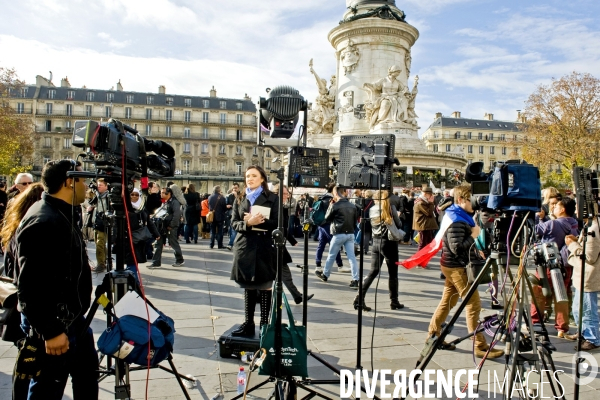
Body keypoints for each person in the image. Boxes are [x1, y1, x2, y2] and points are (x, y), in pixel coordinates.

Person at [16, 159, 99, 399]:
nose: (87, 187)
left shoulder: (61, 213)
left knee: (86, 375)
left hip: (73, 319)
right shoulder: (44, 221)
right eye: (82, 181)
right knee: (47, 388)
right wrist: (50, 331)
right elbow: (29, 285)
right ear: (69, 182)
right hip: (55, 325)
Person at [426, 184, 503, 359]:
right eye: (470, 200)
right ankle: (480, 346)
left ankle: (433, 336)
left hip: (453, 264)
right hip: (456, 266)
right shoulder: (457, 219)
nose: (474, 203)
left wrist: (474, 244)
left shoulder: (459, 215)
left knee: (448, 302)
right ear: (460, 200)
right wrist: (474, 236)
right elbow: (456, 247)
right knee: (473, 304)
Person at [0, 182, 44, 400]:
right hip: (29, 302)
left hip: (20, 298)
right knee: (31, 358)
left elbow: (9, 266)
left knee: (26, 356)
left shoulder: (15, 226)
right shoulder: (32, 227)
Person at [230, 166, 278, 336]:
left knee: (265, 286)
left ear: (262, 179)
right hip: (244, 247)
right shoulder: (240, 198)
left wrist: (259, 222)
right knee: (248, 287)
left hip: (264, 248)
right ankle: (248, 324)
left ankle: (265, 325)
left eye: (254, 176)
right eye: (247, 176)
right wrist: (248, 224)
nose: (249, 179)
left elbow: (279, 224)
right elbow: (234, 223)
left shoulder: (272, 198)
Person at [530, 197, 579, 337]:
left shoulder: (553, 224)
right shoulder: (574, 223)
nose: (553, 208)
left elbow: (535, 230)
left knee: (539, 292)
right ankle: (562, 327)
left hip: (548, 263)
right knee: (561, 295)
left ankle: (536, 321)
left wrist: (538, 217)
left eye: (556, 206)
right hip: (566, 265)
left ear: (563, 209)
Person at [355, 190, 404, 311]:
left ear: (375, 199)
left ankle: (359, 298)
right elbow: (399, 225)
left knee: (373, 271)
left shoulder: (372, 208)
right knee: (393, 273)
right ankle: (394, 301)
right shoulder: (390, 207)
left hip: (376, 242)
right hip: (389, 242)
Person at [565, 217, 600, 350]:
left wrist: (572, 245)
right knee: (578, 308)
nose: (576, 207)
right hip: (583, 276)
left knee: (587, 310)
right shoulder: (590, 224)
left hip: (588, 276)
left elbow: (589, 256)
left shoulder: (593, 227)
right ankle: (584, 333)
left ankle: (592, 338)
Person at [315, 186, 360, 289]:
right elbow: (355, 221)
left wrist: (331, 205)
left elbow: (326, 218)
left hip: (338, 233)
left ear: (335, 194)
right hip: (350, 233)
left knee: (331, 255)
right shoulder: (352, 206)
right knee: (352, 258)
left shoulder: (335, 206)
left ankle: (325, 275)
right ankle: (355, 279)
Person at [116, 188, 161, 284]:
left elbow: (149, 222)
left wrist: (156, 233)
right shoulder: (124, 208)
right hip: (128, 239)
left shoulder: (142, 208)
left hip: (140, 240)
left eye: (136, 195)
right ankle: (134, 282)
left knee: (134, 261)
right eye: (132, 194)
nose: (134, 197)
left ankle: (134, 281)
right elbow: (117, 224)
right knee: (131, 261)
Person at [314, 184, 345, 272]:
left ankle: (318, 265)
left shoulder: (322, 197)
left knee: (321, 245)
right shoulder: (330, 200)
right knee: (335, 244)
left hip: (321, 225)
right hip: (328, 225)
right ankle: (340, 265)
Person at [151, 186, 185, 267]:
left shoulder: (174, 202)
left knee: (173, 243)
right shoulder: (166, 202)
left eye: (163, 193)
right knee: (158, 243)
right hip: (163, 225)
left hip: (170, 226)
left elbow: (177, 214)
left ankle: (179, 260)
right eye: (161, 192)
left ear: (169, 193)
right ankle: (156, 262)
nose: (161, 194)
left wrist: (171, 225)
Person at [89, 178, 109, 272]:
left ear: (106, 186)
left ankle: (101, 264)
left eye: (101, 185)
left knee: (100, 244)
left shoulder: (108, 197)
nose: (98, 187)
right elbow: (93, 204)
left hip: (103, 223)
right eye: (98, 185)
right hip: (96, 222)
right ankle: (103, 262)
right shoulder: (97, 196)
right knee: (98, 244)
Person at [413, 187, 439, 253]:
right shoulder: (421, 202)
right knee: (422, 243)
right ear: (425, 194)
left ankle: (422, 258)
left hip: (426, 225)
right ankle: (419, 260)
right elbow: (429, 213)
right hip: (423, 225)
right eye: (430, 194)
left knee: (427, 242)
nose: (431, 196)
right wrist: (431, 203)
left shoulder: (424, 201)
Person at [225, 183, 240, 248]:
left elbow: (242, 205)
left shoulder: (241, 195)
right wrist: (227, 206)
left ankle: (231, 244)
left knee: (234, 230)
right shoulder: (228, 196)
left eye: (236, 188)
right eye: (233, 188)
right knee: (231, 229)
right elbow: (225, 205)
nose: (234, 189)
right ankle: (232, 242)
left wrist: (237, 197)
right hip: (230, 214)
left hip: (238, 215)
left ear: (238, 188)